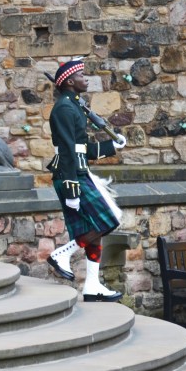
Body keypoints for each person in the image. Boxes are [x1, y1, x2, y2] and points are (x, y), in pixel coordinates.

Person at [44, 58, 125, 301]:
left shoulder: (74, 106)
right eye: (81, 75)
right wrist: (71, 190)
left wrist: (112, 145)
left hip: (79, 172)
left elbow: (83, 148)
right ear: (70, 82)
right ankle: (62, 254)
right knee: (108, 220)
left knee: (95, 229)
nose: (85, 78)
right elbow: (68, 150)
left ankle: (92, 285)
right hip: (72, 175)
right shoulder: (64, 110)